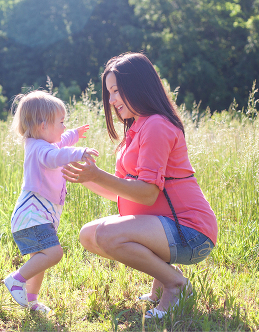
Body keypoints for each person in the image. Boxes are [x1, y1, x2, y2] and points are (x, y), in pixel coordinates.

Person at [61, 52, 217, 319]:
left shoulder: (156, 125)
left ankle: (176, 285)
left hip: (190, 231)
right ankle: (165, 280)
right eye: (109, 93)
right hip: (168, 227)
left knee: (108, 234)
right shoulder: (136, 128)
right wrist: (85, 177)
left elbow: (147, 193)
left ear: (137, 86)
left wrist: (97, 175)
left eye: (116, 91)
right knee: (89, 234)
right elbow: (120, 191)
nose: (111, 100)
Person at [3, 90, 99, 314]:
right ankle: (16, 279)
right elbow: (55, 157)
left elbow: (61, 140)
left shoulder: (42, 141)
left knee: (42, 258)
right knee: (53, 254)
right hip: (32, 216)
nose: (64, 127)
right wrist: (79, 152)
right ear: (43, 125)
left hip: (35, 216)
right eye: (61, 122)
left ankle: (31, 301)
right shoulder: (40, 149)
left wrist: (74, 133)